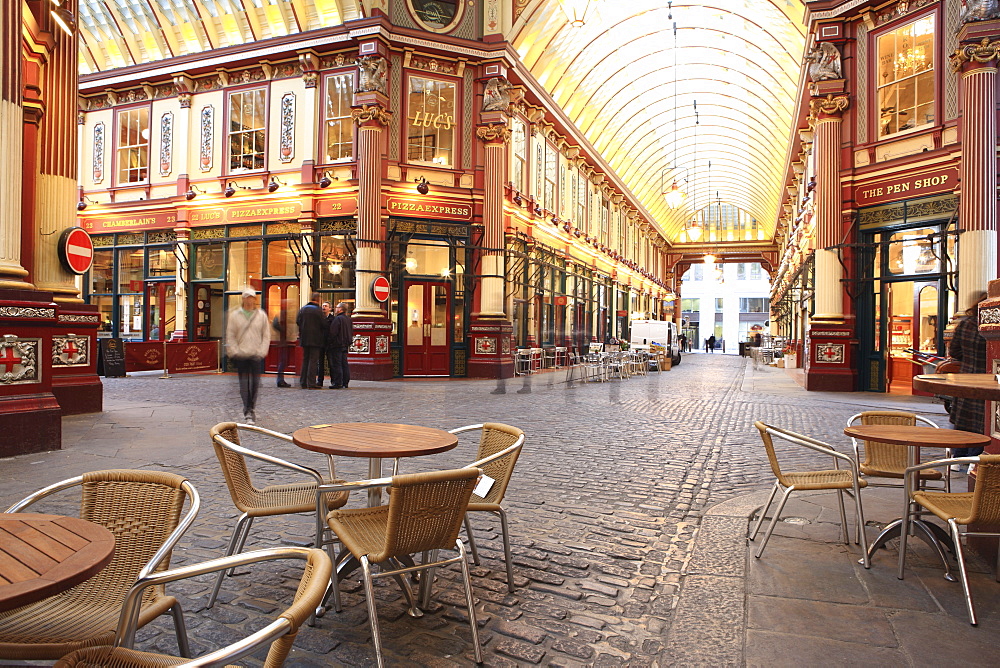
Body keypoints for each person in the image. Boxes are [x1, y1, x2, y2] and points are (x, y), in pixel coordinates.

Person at [947, 292, 989, 471]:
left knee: (963, 420)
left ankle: (957, 457)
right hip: (987, 379)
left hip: (965, 378)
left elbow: (954, 351)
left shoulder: (965, 325)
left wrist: (968, 360)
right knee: (982, 421)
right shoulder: (990, 328)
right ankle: (975, 457)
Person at [225, 287, 270, 424]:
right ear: (243, 299)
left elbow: (266, 335)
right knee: (244, 384)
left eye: (252, 298)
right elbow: (230, 335)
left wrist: (262, 351)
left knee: (255, 384)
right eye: (247, 297)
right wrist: (234, 351)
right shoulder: (235, 315)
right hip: (242, 355)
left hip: (255, 354)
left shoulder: (261, 315)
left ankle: (252, 407)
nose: (250, 300)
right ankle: (247, 410)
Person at [296, 292, 325, 389]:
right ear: (318, 300)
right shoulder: (318, 310)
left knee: (305, 360)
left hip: (304, 338)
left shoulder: (303, 309)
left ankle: (303, 382)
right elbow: (324, 324)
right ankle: (311, 383)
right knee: (313, 361)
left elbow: (298, 321)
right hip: (316, 339)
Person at [329, 301, 354, 389]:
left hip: (337, 344)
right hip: (345, 344)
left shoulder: (337, 319)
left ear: (340, 309)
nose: (335, 309)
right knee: (344, 363)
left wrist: (330, 342)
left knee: (337, 364)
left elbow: (333, 332)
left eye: (336, 307)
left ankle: (338, 382)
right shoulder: (348, 319)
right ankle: (345, 382)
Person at [272, 301, 292, 388]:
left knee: (283, 361)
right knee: (282, 361)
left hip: (284, 342)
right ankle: (280, 380)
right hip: (282, 342)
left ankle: (281, 380)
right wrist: (283, 330)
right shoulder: (282, 313)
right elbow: (275, 324)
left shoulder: (284, 314)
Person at [317, 302, 336, 387]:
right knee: (320, 363)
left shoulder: (333, 319)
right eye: (323, 306)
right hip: (320, 343)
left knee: (331, 363)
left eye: (326, 306)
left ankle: (333, 380)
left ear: (330, 309)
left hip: (329, 344)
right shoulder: (319, 318)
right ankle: (320, 381)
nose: (324, 307)